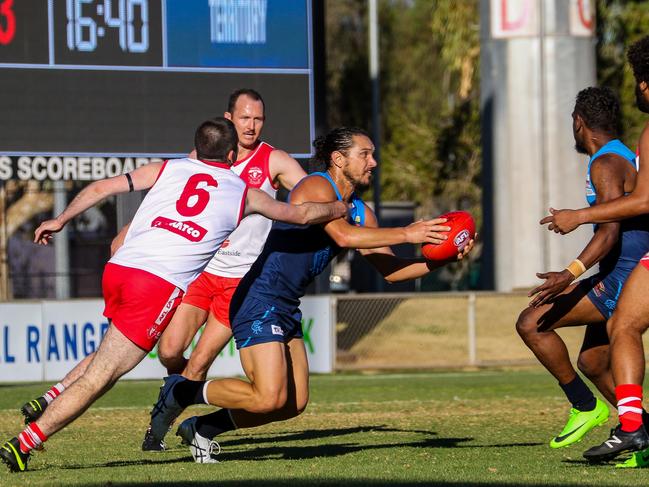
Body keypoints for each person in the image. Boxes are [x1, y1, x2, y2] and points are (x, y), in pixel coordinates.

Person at [0, 117, 351, 473]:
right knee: (103, 375)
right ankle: (24, 443)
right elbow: (301, 214)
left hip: (120, 269)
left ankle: (50, 396)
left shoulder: (168, 167)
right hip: (154, 285)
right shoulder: (243, 191)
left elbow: (101, 189)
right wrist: (339, 208)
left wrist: (60, 219)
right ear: (232, 154)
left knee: (109, 352)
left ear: (197, 149)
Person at [148, 127, 474, 464]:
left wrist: (438, 260)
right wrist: (409, 231)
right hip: (259, 298)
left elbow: (391, 271)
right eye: (365, 154)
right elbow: (344, 236)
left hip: (286, 305)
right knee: (268, 396)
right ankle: (181, 389)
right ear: (338, 159)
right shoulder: (315, 186)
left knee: (292, 404)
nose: (373, 162)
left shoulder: (362, 211)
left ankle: (202, 428)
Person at [516, 87, 649, 450]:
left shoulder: (605, 163)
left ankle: (584, 406)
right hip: (619, 270)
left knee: (531, 323)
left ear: (579, 122)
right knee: (592, 363)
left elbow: (609, 233)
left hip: (623, 276)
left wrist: (569, 273)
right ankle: (642, 433)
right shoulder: (617, 156)